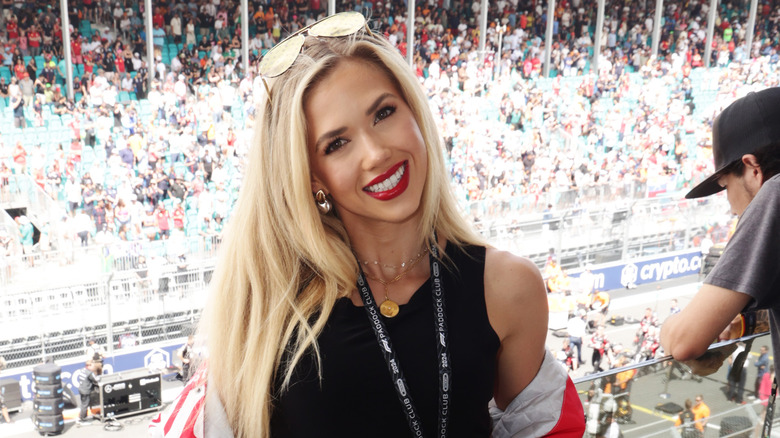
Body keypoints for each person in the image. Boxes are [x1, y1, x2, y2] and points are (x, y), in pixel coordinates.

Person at [150, 12, 584, 437]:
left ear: (415, 113)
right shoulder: (268, 311)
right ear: (312, 176)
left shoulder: (508, 286)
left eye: (383, 113)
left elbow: (545, 426)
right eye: (337, 143)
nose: (375, 153)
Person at [660, 88, 780, 379]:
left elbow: (684, 341)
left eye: (726, 186)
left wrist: (667, 329)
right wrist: (740, 323)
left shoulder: (775, 193)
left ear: (753, 168)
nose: (730, 205)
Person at [74, 360, 101, 425]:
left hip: (81, 389)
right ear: (89, 366)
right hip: (85, 391)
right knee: (85, 404)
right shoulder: (89, 373)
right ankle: (82, 419)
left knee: (83, 404)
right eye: (93, 365)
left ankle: (83, 417)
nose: (94, 367)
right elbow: (95, 379)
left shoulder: (82, 370)